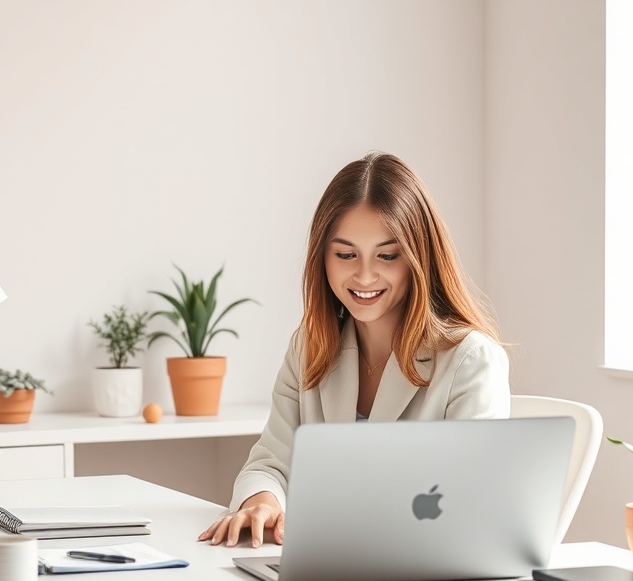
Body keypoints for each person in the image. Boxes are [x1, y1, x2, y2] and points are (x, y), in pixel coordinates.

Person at [199, 151, 511, 549]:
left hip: (420, 577)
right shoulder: (310, 346)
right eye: (346, 255)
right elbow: (270, 461)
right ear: (322, 258)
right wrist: (262, 501)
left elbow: (472, 506)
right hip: (327, 566)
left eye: (387, 255)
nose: (364, 275)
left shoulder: (470, 361)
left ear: (419, 258)